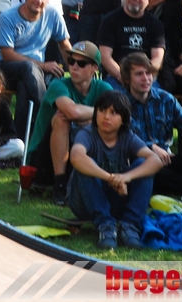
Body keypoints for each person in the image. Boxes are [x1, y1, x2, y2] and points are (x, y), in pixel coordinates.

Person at [68, 90, 163, 249]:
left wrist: (126, 177)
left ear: (124, 119)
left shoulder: (128, 136)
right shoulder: (87, 133)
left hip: (117, 200)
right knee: (84, 166)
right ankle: (105, 226)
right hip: (85, 203)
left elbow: (156, 160)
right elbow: (76, 156)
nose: (106, 117)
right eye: (102, 110)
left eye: (113, 113)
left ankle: (130, 226)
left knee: (143, 164)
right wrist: (111, 178)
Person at [27, 41, 112, 206]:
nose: (74, 67)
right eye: (71, 61)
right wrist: (99, 114)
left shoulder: (104, 88)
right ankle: (60, 186)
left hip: (79, 154)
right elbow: (73, 112)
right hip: (42, 162)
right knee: (62, 119)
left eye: (81, 63)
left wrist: (91, 116)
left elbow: (117, 117)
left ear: (95, 68)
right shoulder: (58, 85)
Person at [0, 0, 73, 140]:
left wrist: (75, 69)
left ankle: (21, 141)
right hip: (6, 69)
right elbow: (7, 55)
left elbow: (64, 45)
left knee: (25, 87)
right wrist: (43, 66)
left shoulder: (52, 15)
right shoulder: (7, 16)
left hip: (33, 76)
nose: (39, 0)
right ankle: (48, 116)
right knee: (29, 68)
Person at [121, 52, 182, 195]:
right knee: (146, 171)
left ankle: (172, 185)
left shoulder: (165, 99)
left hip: (167, 160)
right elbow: (121, 141)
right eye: (139, 74)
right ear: (127, 78)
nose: (145, 78)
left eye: (148, 73)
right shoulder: (120, 105)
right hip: (139, 162)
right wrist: (150, 147)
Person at [96, 0, 165, 91]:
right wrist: (125, 78)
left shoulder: (156, 24)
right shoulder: (109, 21)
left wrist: (142, 77)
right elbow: (105, 57)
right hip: (116, 78)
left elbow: (157, 60)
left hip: (146, 79)